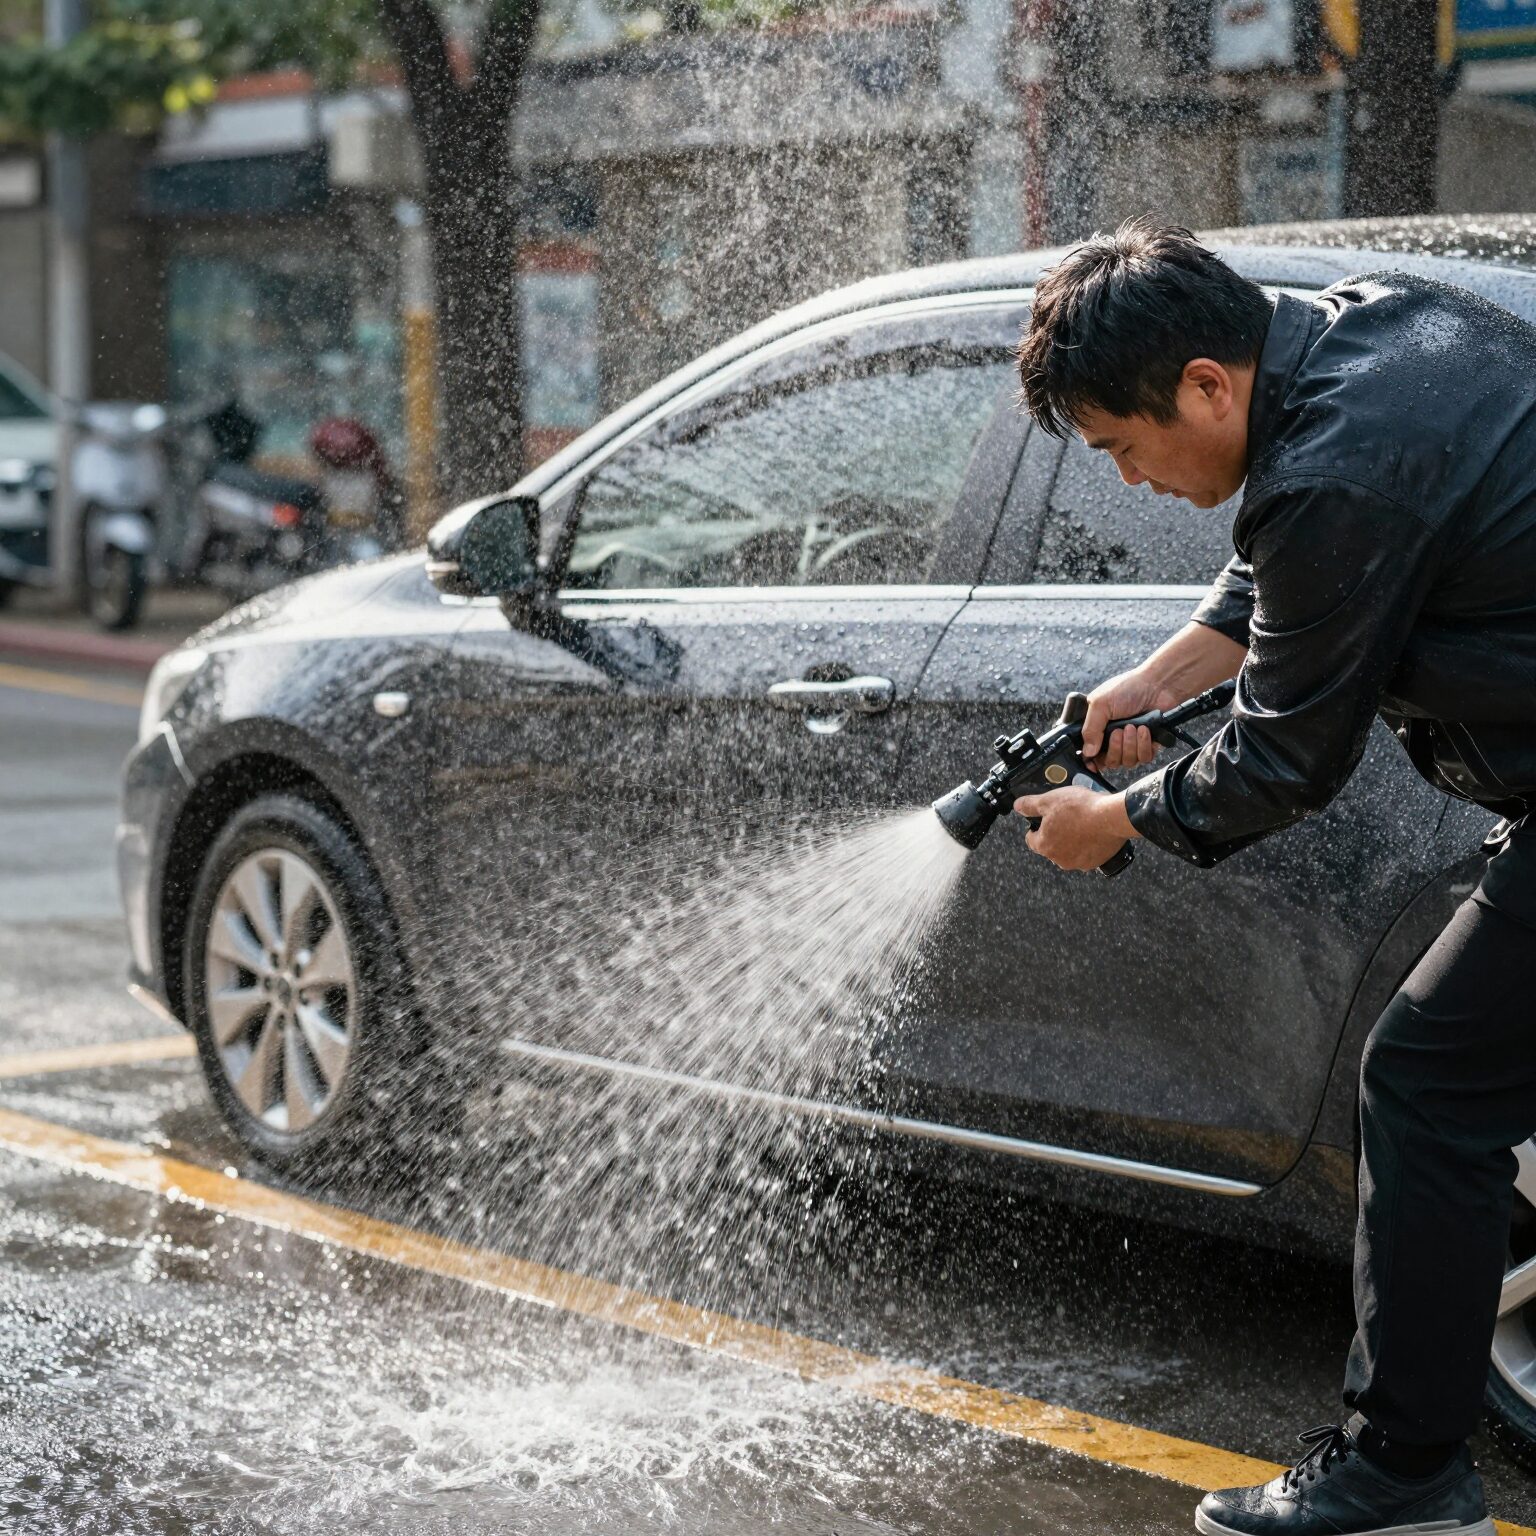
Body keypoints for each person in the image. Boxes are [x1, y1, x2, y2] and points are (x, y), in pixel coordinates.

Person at [1012, 218, 1536, 1536]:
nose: (1128, 481)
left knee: (1426, 1085)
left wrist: (1114, 821)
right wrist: (1153, 680)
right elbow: (1283, 557)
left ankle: (1401, 1477)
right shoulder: (1377, 324)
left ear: (1205, 384)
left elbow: (1283, 763)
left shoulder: (1333, 472)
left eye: (1124, 449)